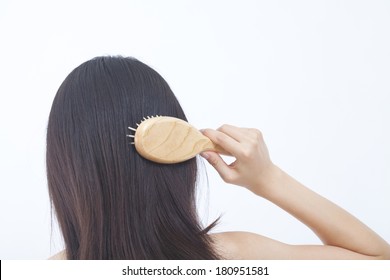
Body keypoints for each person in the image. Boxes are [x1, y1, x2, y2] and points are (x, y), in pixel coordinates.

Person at [48, 56, 390, 260]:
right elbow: (377, 260)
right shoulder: (236, 255)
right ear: (178, 165)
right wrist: (268, 179)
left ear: (66, 171)